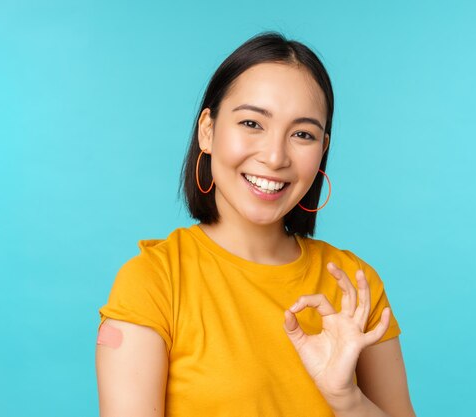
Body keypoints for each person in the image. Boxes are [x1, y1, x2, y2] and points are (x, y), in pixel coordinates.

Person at [96, 31, 416, 417]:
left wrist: (346, 397)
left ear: (322, 151)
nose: (276, 156)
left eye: (302, 134)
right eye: (252, 123)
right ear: (208, 131)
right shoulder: (154, 281)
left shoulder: (354, 285)